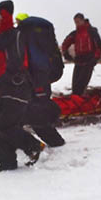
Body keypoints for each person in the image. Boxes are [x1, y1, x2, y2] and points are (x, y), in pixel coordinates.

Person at [0, 0, 46, 173]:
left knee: (6, 125)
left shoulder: (15, 35)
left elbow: (16, 60)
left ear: (4, 18)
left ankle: (34, 146)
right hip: (3, 87)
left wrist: (0, 75)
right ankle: (7, 162)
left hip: (17, 85)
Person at [16, 13, 65, 148]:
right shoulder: (35, 36)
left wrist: (36, 79)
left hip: (38, 78)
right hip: (39, 77)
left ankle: (55, 141)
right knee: (34, 110)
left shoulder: (30, 37)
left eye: (18, 22)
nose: (16, 24)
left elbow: (37, 62)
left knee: (37, 112)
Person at [61, 13, 101, 95]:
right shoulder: (75, 33)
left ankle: (80, 101)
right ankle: (76, 101)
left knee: (82, 84)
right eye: (75, 22)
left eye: (78, 21)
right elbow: (65, 43)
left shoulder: (92, 32)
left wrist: (95, 58)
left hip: (89, 61)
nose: (77, 24)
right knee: (75, 85)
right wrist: (65, 53)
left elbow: (99, 46)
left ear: (83, 20)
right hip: (78, 61)